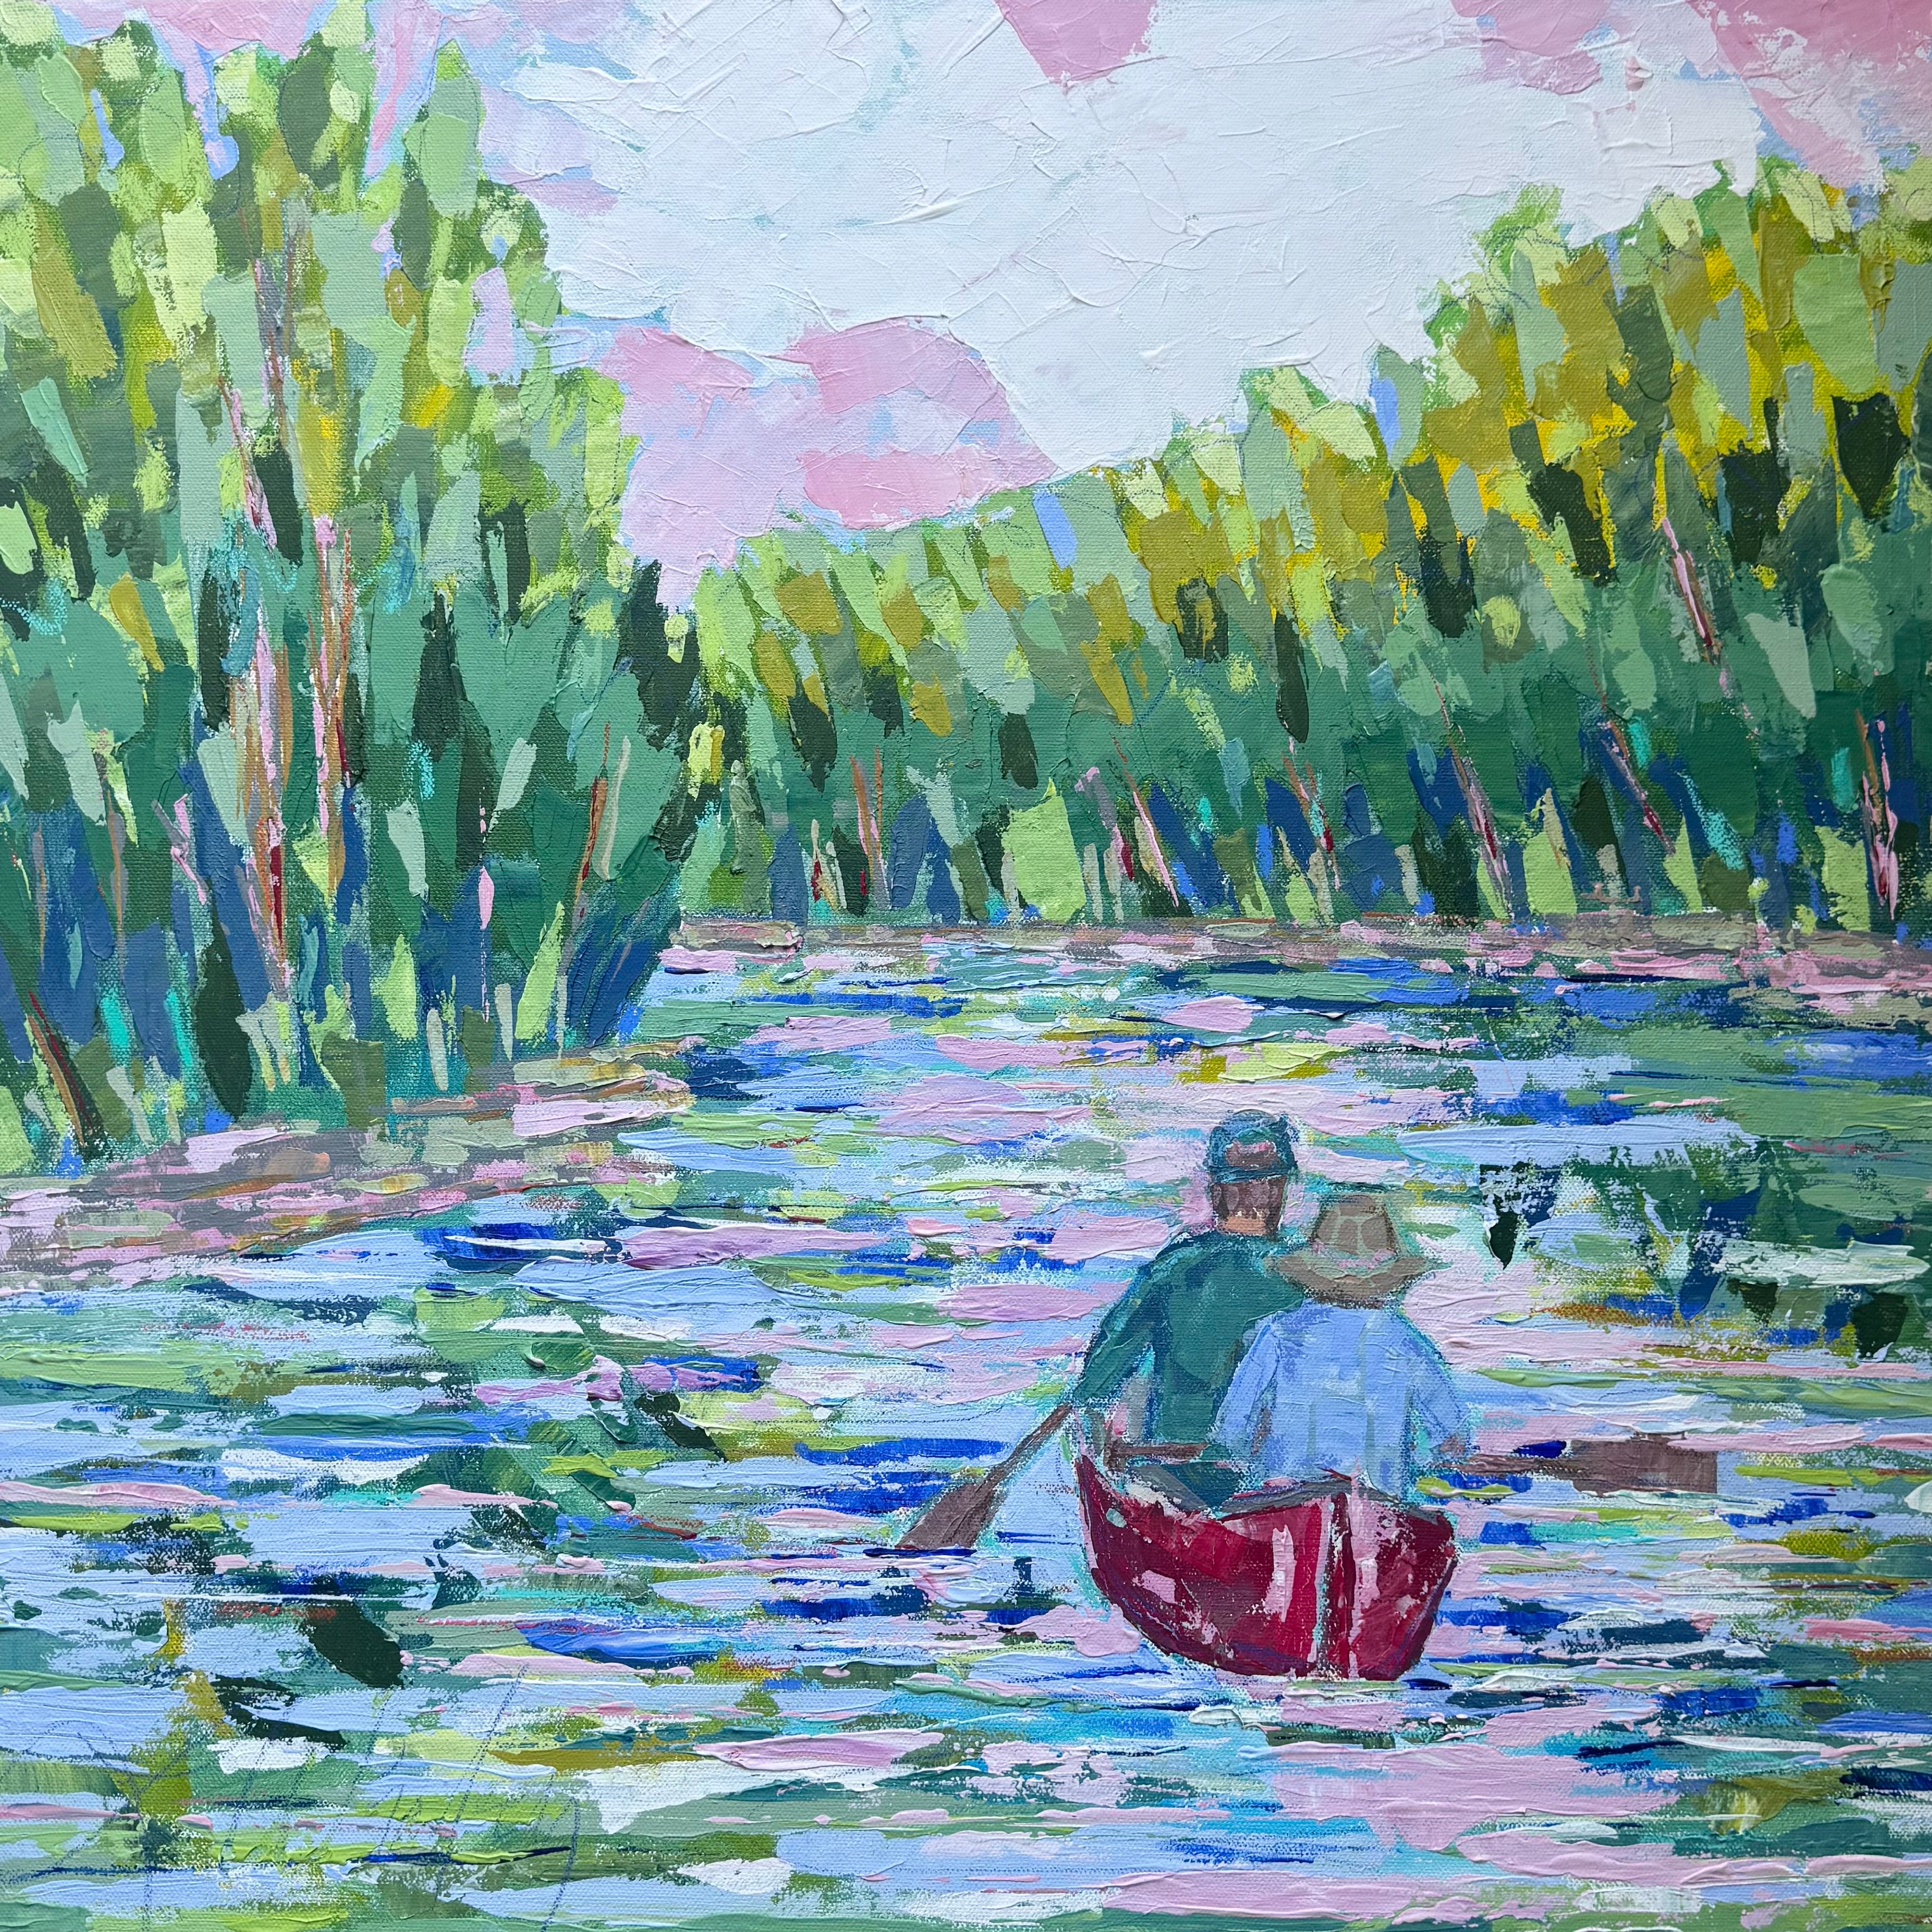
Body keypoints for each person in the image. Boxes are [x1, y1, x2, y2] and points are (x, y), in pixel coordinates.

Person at [1207, 1192, 1466, 1499]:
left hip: (1285, 1490)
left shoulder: (1279, 1331)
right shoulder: (1404, 1340)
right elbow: (1451, 1435)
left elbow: (1234, 1420)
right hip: (1374, 1494)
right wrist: (1423, 1454)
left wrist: (1244, 1452)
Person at [1070, 1110, 1302, 1450]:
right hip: (1277, 1463)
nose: (1260, 1193)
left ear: (1216, 1191)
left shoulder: (1175, 1268)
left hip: (1177, 1454)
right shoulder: (1311, 1272)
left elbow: (1103, 1370)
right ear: (1282, 1188)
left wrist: (1087, 1417)